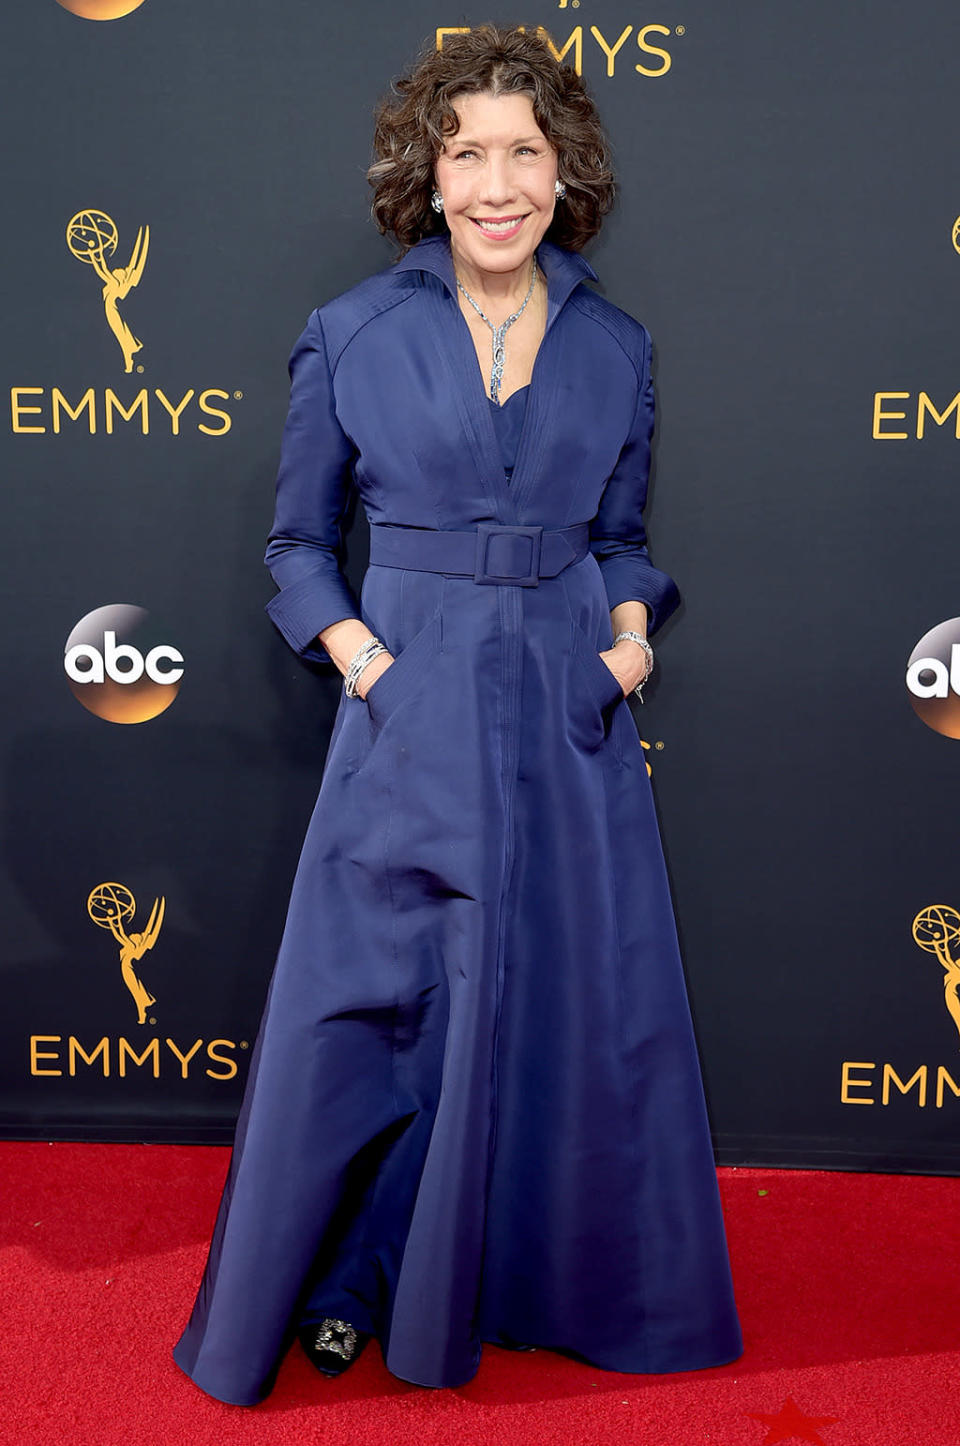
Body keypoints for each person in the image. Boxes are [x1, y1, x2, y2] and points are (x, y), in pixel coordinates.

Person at [172, 23, 742, 1404]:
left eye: (526, 153)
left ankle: (501, 1285)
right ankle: (348, 1278)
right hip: (408, 705)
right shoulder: (353, 335)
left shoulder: (616, 344)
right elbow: (297, 552)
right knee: (380, 1017)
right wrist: (375, 666)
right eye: (469, 151)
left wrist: (620, 648)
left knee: (550, 1014)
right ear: (429, 176)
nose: (498, 183)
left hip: (567, 716)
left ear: (567, 173)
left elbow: (624, 535)